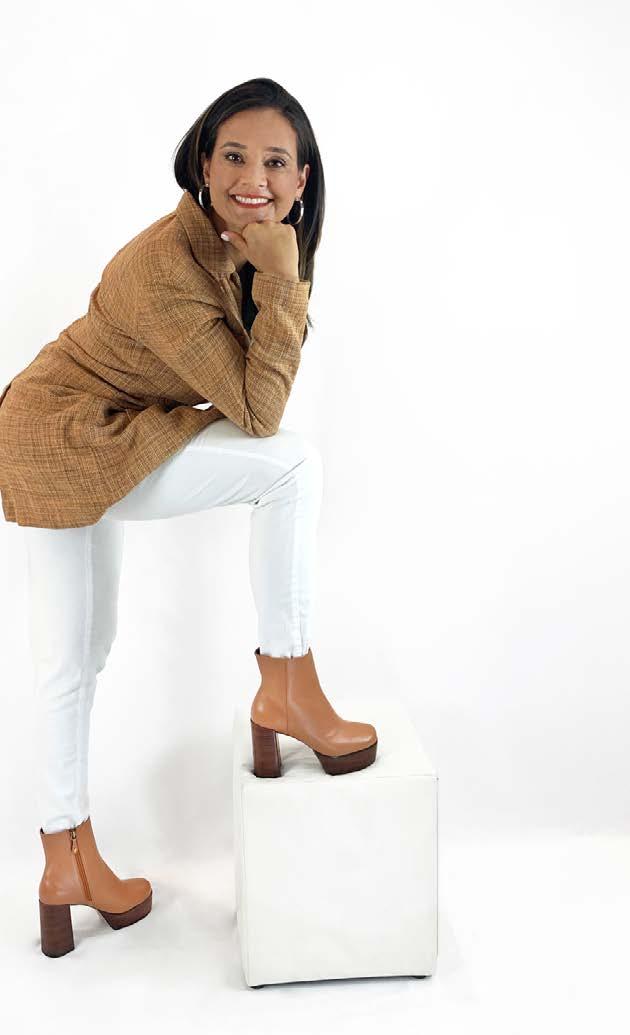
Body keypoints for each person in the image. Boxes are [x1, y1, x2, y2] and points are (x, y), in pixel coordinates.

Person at [0, 77, 378, 958]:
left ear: (302, 178)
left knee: (80, 652)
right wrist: (284, 279)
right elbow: (259, 413)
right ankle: (286, 683)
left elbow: (251, 394)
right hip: (59, 438)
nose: (254, 178)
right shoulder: (166, 267)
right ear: (203, 164)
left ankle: (67, 863)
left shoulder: (244, 247)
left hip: (98, 430)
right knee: (290, 468)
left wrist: (277, 272)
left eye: (275, 162)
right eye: (233, 155)